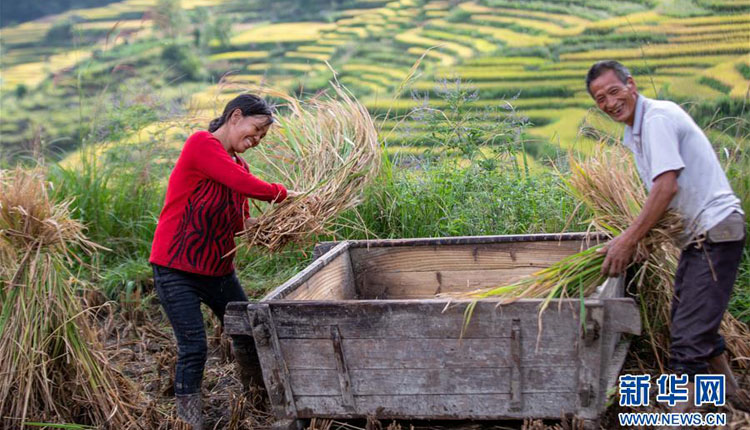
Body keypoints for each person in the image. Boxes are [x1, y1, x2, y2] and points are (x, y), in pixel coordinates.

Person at [586, 60, 748, 413]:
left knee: (687, 341)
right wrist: (641, 239)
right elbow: (668, 195)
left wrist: (630, 239)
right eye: (600, 99)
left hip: (715, 231)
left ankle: (680, 416)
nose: (610, 103)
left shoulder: (656, 119)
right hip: (701, 237)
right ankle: (735, 401)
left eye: (614, 91)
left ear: (631, 84)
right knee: (690, 323)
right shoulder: (638, 131)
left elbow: (666, 187)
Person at [149, 94, 297, 429]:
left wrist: (275, 227)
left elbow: (238, 223)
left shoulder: (240, 167)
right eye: (256, 129)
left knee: (248, 333)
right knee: (194, 347)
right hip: (176, 269)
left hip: (217, 271)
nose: (257, 139)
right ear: (236, 116)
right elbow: (242, 184)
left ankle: (259, 400)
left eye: (263, 136)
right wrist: (285, 194)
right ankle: (190, 422)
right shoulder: (202, 144)